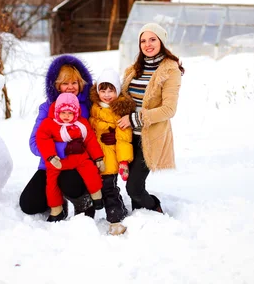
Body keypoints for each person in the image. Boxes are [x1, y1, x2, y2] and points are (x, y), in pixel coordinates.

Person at [19, 54, 98, 218]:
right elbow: (34, 143)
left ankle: (83, 201)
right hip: (50, 164)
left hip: (78, 165)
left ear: (81, 83)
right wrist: (63, 148)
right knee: (29, 204)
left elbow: (95, 138)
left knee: (70, 183)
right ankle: (58, 204)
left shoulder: (90, 107)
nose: (70, 87)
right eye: (65, 83)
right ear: (56, 86)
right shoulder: (46, 108)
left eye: (74, 82)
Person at [117, 23, 184, 213]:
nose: (147, 44)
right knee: (133, 185)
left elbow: (169, 109)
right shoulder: (132, 70)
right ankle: (142, 217)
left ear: (161, 41)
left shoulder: (170, 70)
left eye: (152, 39)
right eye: (143, 40)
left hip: (151, 137)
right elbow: (123, 100)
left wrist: (135, 119)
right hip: (128, 137)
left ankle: (154, 207)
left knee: (134, 187)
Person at [36, 93, 105, 222]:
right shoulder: (49, 124)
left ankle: (96, 196)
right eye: (63, 112)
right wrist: (51, 156)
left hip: (79, 158)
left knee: (91, 171)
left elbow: (90, 141)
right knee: (51, 183)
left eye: (70, 113)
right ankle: (56, 210)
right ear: (57, 111)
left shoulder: (82, 124)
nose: (66, 116)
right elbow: (42, 139)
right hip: (58, 161)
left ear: (76, 112)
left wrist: (98, 158)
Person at [89, 68, 136, 235]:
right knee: (95, 187)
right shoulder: (93, 106)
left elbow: (124, 138)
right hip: (93, 155)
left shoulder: (120, 110)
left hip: (110, 156)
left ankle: (115, 218)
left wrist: (123, 161)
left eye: (111, 90)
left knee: (109, 188)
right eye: (103, 90)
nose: (107, 94)